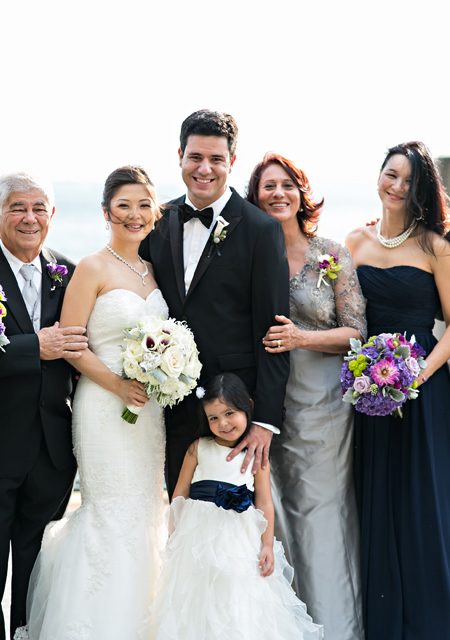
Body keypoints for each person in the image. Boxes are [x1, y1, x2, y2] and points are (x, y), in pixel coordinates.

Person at [344, 141, 450, 640]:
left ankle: (437, 624)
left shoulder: (436, 247)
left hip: (423, 393)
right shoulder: (354, 243)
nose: (397, 187)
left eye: (408, 180)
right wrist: (366, 376)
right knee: (377, 501)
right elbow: (346, 321)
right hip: (369, 395)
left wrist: (415, 376)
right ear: (379, 176)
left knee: (425, 502)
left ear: (421, 189)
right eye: (390, 175)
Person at [22, 166, 167, 639]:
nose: (134, 214)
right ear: (107, 212)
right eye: (124, 205)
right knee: (109, 512)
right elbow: (71, 343)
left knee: (147, 511)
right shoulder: (92, 267)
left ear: (155, 211)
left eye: (143, 205)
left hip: (150, 412)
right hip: (105, 408)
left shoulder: (156, 270)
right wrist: (119, 385)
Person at [0, 172, 87, 640]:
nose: (30, 218)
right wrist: (36, 347)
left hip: (52, 454)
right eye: (17, 208)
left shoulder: (68, 274)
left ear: (51, 215)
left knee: (38, 578)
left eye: (39, 209)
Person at [247, 152, 365, 640]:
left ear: (301, 193)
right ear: (254, 199)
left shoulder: (331, 254)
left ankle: (337, 629)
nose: (278, 194)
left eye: (286, 185)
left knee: (322, 521)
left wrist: (303, 339)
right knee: (271, 520)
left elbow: (357, 333)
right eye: (267, 187)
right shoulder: (247, 254)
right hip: (265, 407)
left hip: (324, 407)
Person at [140, 109, 290, 492]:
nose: (204, 169)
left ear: (232, 162)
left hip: (234, 413)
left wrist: (265, 421)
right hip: (169, 406)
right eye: (195, 157)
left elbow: (275, 332)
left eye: (216, 159)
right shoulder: (158, 220)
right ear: (179, 156)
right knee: (178, 521)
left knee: (231, 531)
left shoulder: (262, 230)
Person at [142, 373, 323, 640]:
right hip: (199, 536)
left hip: (240, 539)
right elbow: (180, 492)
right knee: (198, 593)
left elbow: (263, 500)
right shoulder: (198, 447)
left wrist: (268, 545)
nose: (223, 423)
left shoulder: (255, 453)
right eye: (213, 418)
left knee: (238, 595)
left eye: (229, 413)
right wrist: (174, 534)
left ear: (247, 406)